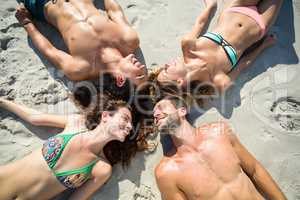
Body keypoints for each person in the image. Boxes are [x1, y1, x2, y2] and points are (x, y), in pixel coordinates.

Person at [0, 93, 145, 200]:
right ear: (106, 116)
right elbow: (36, 118)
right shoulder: (76, 123)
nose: (129, 126)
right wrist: (3, 102)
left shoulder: (101, 168)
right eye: (125, 119)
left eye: (131, 125)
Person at [153, 95, 287, 200]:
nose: (155, 114)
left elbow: (255, 170)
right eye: (153, 115)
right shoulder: (166, 172)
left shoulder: (219, 132)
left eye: (160, 107)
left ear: (182, 111)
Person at [15, 0, 148, 95]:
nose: (142, 67)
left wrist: (27, 23)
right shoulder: (129, 40)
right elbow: (114, 10)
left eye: (140, 74)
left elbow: (48, 50)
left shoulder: (81, 69)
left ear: (120, 80)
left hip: (43, 4)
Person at [155, 0, 282, 92]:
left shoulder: (188, 47)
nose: (166, 64)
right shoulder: (218, 81)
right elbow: (244, 63)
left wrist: (210, 5)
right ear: (179, 82)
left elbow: (200, 23)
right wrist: (264, 45)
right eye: (166, 71)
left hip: (238, 6)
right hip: (260, 25)